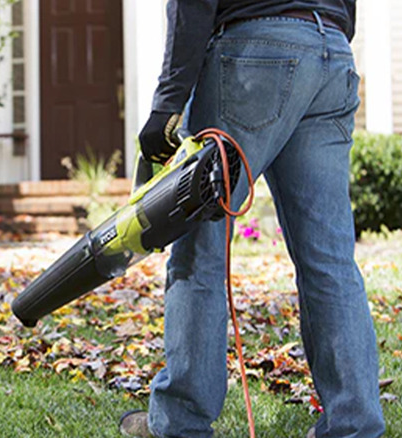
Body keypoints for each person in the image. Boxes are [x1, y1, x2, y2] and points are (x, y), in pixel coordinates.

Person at [120, 1, 386, 437]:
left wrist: (168, 102)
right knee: (330, 261)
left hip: (252, 54)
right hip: (330, 52)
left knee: (199, 249)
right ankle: (354, 426)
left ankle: (180, 423)